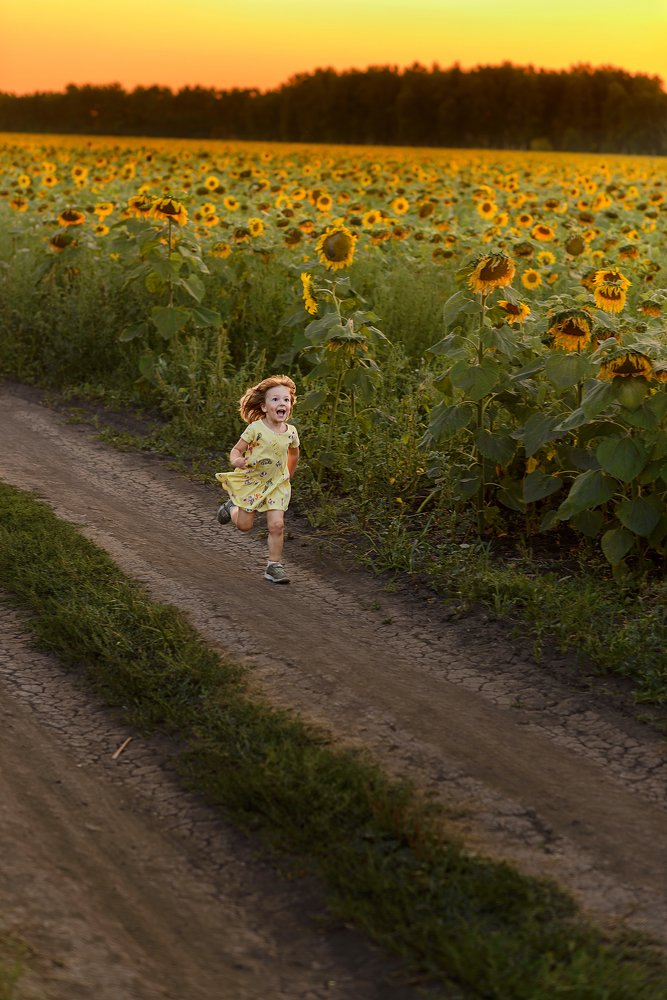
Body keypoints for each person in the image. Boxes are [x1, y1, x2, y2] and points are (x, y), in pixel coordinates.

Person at [215, 375, 300, 584]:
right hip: (253, 482)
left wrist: (288, 474)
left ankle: (274, 566)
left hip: (277, 485)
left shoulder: (291, 432)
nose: (282, 404)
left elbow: (294, 454)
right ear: (263, 407)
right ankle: (231, 506)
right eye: (275, 400)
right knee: (244, 526)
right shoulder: (255, 429)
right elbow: (236, 450)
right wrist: (237, 461)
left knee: (277, 525)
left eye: (286, 400)